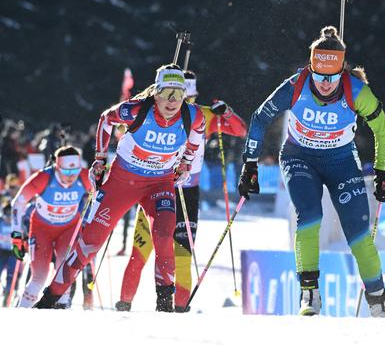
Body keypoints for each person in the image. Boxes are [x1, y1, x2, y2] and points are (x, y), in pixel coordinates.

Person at [238, 26, 385, 318]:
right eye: (319, 76)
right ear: (310, 68)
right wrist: (250, 163)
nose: (325, 84)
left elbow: (383, 129)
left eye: (331, 78)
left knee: (358, 234)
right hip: (298, 157)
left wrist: (381, 172)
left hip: (340, 161)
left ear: (341, 72)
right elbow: (261, 117)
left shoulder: (357, 91)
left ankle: (378, 303)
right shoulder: (296, 85)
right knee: (310, 215)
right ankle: (309, 297)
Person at [34, 64, 205, 311]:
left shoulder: (192, 115)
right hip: (122, 183)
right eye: (167, 93)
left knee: (165, 234)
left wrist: (187, 161)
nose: (172, 101)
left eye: (178, 94)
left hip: (160, 183)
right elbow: (105, 120)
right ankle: (49, 300)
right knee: (90, 243)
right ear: (156, 93)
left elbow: (199, 131)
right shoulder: (135, 110)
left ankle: (165, 305)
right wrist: (100, 160)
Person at [115, 70, 247, 312]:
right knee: (139, 254)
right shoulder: (155, 112)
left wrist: (226, 111)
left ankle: (179, 312)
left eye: (187, 98)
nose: (178, 104)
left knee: (183, 256)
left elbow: (240, 131)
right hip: (155, 187)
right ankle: (123, 307)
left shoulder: (201, 115)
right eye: (172, 96)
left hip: (187, 191)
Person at [9, 146, 92, 307]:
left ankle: (61, 310)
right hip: (42, 229)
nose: (71, 176)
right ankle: (21, 314)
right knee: (39, 278)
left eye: (75, 171)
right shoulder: (43, 178)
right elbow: (17, 204)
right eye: (67, 172)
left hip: (69, 229)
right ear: (57, 167)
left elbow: (105, 192)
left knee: (64, 275)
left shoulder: (84, 176)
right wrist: (16, 235)